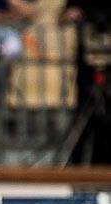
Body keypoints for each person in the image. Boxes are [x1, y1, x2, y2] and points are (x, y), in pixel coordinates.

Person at [58, 0, 111, 164]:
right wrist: (71, 15)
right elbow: (62, 18)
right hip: (87, 71)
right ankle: (78, 168)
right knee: (84, 121)